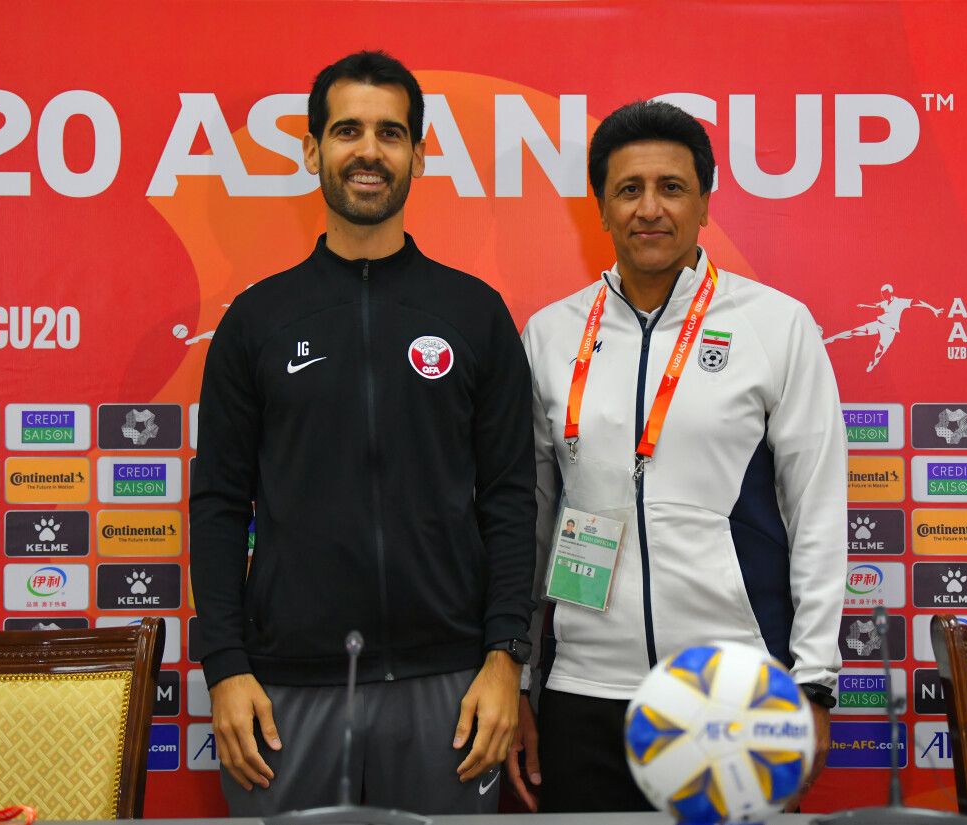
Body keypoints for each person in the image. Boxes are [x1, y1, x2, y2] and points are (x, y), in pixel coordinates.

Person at [190, 50, 535, 816]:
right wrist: (226, 666)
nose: (369, 151)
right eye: (348, 130)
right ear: (312, 150)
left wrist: (505, 656)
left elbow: (511, 498)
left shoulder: (474, 314)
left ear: (419, 153)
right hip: (284, 689)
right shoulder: (257, 321)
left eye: (390, 132)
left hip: (451, 689)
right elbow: (218, 504)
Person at [509, 101, 847, 813]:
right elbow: (530, 520)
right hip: (582, 690)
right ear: (601, 208)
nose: (649, 208)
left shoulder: (776, 325)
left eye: (672, 187)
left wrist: (814, 680)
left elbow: (817, 509)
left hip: (734, 686)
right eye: (628, 189)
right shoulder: (549, 334)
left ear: (704, 204)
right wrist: (520, 677)